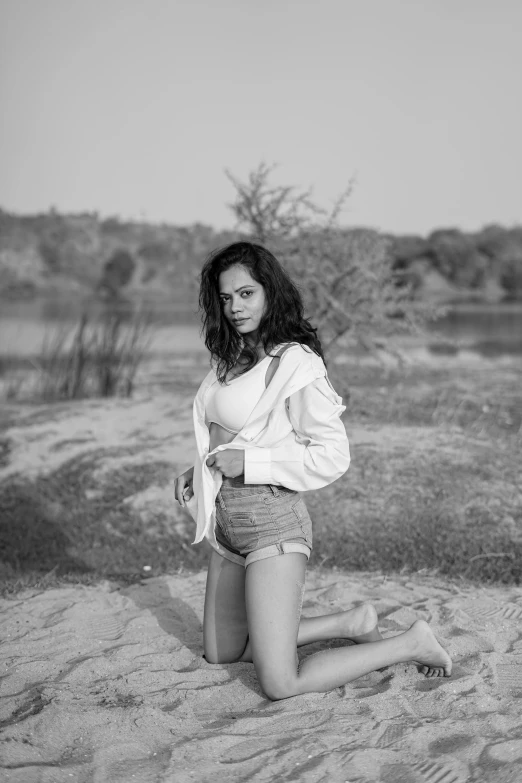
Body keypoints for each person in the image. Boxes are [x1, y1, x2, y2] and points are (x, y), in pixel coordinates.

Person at [174, 241, 451, 700]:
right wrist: (197, 468)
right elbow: (240, 433)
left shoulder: (296, 363)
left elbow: (332, 455)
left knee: (281, 683)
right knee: (221, 654)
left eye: (246, 294)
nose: (235, 307)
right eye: (225, 298)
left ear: (269, 292)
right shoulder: (229, 360)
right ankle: (350, 622)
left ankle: (410, 643)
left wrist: (250, 463)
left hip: (271, 525)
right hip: (227, 525)